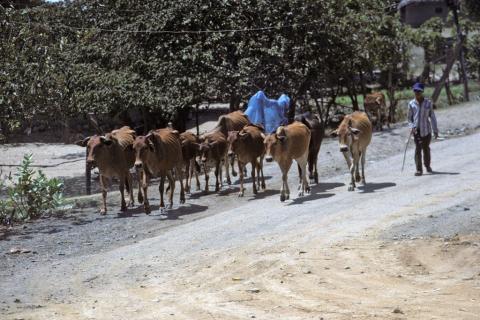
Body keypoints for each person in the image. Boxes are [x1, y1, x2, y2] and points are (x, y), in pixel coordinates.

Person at [407, 82, 439, 176]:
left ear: (422, 92)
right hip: (416, 131)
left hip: (427, 131)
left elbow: (432, 117)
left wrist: (435, 130)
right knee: (418, 149)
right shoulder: (411, 104)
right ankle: (419, 169)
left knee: (426, 149)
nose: (417, 93)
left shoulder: (428, 103)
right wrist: (411, 127)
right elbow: (409, 118)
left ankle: (427, 166)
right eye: (415, 91)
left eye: (419, 91)